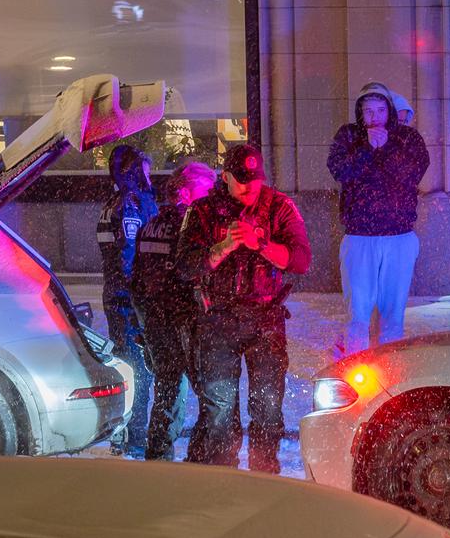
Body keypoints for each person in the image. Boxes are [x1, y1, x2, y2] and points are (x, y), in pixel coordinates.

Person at [179, 140, 312, 472]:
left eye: (256, 178)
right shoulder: (203, 211)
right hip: (218, 319)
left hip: (265, 318)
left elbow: (301, 260)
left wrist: (261, 243)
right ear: (225, 176)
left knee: (267, 406)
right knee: (220, 409)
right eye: (241, 178)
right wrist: (223, 247)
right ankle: (224, 477)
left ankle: (264, 474)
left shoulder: (279, 207)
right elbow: (183, 266)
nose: (250, 185)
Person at [327, 81, 430, 353]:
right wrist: (366, 151)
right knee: (357, 312)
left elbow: (413, 173)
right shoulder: (349, 136)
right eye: (368, 111)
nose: (375, 118)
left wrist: (385, 150)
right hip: (360, 235)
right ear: (360, 112)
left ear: (390, 111)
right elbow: (340, 171)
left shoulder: (407, 138)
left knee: (393, 313)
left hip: (399, 235)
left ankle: (390, 369)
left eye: (381, 110)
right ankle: (357, 365)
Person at [130, 158, 215, 460]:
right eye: (206, 192)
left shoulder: (150, 225)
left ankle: (159, 456)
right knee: (209, 394)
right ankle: (200, 460)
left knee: (167, 391)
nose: (211, 199)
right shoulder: (189, 226)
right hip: (184, 320)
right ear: (186, 193)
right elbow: (191, 273)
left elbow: (137, 280)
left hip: (156, 320)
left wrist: (143, 325)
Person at [94, 144, 156, 454]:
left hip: (115, 297)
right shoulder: (131, 205)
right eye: (144, 170)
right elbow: (129, 254)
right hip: (129, 300)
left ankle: (126, 432)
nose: (149, 177)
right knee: (140, 368)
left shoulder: (111, 203)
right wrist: (142, 296)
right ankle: (136, 437)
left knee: (127, 366)